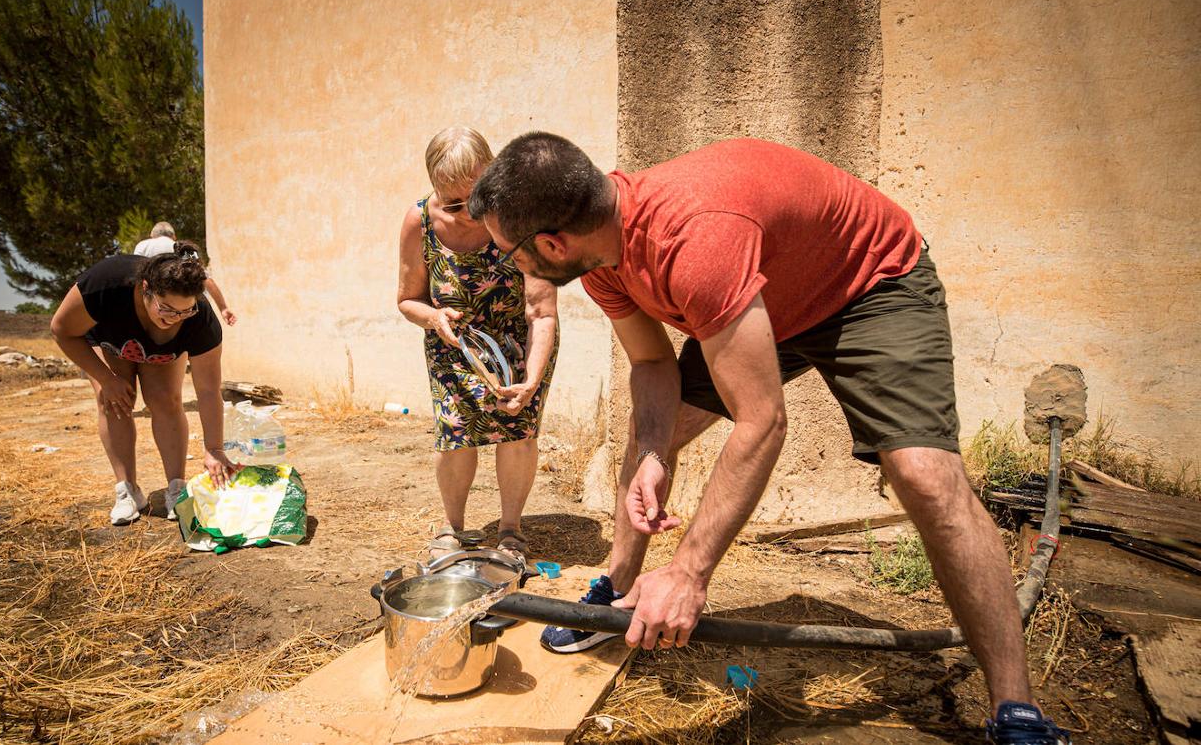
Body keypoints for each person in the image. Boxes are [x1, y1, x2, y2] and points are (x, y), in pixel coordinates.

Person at [468, 133, 1070, 744]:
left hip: (869, 283)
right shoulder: (602, 256)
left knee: (924, 475)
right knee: (657, 426)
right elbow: (654, 369)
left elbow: (763, 422)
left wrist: (689, 573)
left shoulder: (693, 243)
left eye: (508, 253)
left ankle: (1016, 711)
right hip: (766, 291)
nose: (509, 266)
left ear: (551, 243)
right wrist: (652, 453)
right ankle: (617, 589)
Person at [397, 126, 559, 562]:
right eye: (454, 203)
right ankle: (452, 526)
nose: (468, 212)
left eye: (477, 199)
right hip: (454, 344)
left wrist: (531, 379)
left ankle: (511, 530)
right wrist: (433, 317)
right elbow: (407, 300)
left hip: (519, 343)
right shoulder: (419, 221)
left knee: (517, 430)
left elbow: (542, 311)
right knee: (455, 435)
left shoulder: (520, 217)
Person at [51, 241, 240, 526]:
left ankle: (176, 487)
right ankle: (127, 490)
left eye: (184, 312)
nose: (175, 318)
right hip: (112, 340)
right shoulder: (106, 284)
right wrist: (106, 378)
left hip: (163, 353)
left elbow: (208, 390)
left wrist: (214, 448)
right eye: (166, 309)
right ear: (145, 289)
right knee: (112, 400)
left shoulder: (200, 319)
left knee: (166, 399)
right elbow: (61, 330)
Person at [134, 222, 238, 327]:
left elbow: (134, 274)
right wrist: (223, 308)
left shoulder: (143, 245)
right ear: (174, 236)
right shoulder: (184, 249)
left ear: (152, 236)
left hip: (152, 311)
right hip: (184, 313)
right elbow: (205, 278)